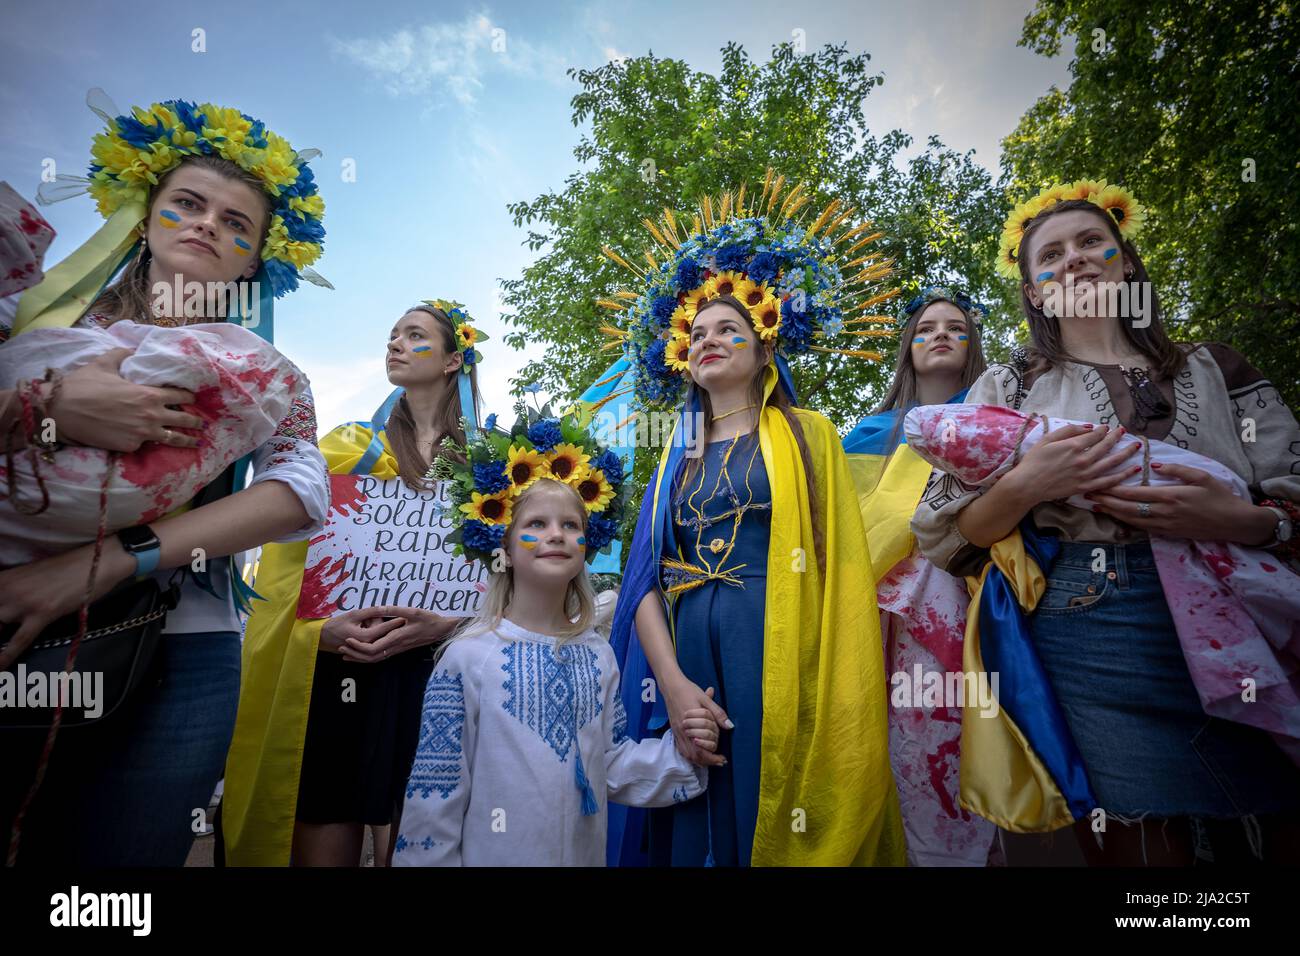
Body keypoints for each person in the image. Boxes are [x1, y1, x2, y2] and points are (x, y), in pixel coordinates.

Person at [912, 178, 1300, 864]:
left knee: (1272, 814)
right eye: (1052, 254)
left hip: (1249, 614)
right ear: (1035, 291)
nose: (1077, 259)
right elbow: (947, 534)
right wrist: (1028, 485)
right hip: (1086, 620)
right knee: (1142, 837)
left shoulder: (1219, 369)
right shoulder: (1008, 387)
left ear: (1125, 261)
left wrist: (1243, 520)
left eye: (1093, 242)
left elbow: (1291, 493)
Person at [0, 94, 331, 866]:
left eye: (236, 223)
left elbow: (299, 489)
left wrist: (119, 559)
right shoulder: (32, 316)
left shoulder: (275, 378)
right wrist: (48, 401)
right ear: (144, 218)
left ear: (255, 260)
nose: (208, 225)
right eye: (187, 203)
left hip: (183, 650)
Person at [604, 171, 906, 866]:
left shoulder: (810, 435)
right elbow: (643, 582)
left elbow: (843, 576)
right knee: (692, 823)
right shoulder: (670, 459)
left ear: (765, 344)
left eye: (728, 329)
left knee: (772, 818)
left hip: (781, 655)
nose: (707, 340)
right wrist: (675, 691)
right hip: (685, 665)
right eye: (697, 332)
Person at [222, 301, 485, 866]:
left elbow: (508, 580)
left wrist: (451, 626)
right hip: (346, 664)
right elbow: (286, 564)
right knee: (327, 820)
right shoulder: (347, 449)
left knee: (419, 831)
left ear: (452, 361)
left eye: (414, 336)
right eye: (392, 335)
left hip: (437, 671)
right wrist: (317, 631)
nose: (394, 344)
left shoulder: (490, 465)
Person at [394, 408, 712, 865]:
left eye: (571, 525)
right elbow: (436, 788)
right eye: (535, 525)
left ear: (587, 545)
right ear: (503, 545)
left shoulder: (598, 655)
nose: (556, 535)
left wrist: (684, 753)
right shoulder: (467, 658)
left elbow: (613, 762)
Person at [842, 285, 997, 866]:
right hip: (880, 614)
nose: (940, 334)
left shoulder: (995, 418)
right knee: (894, 743)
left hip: (975, 603)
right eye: (927, 327)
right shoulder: (865, 437)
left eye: (956, 327)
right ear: (908, 347)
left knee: (958, 740)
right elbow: (844, 531)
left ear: (972, 345)